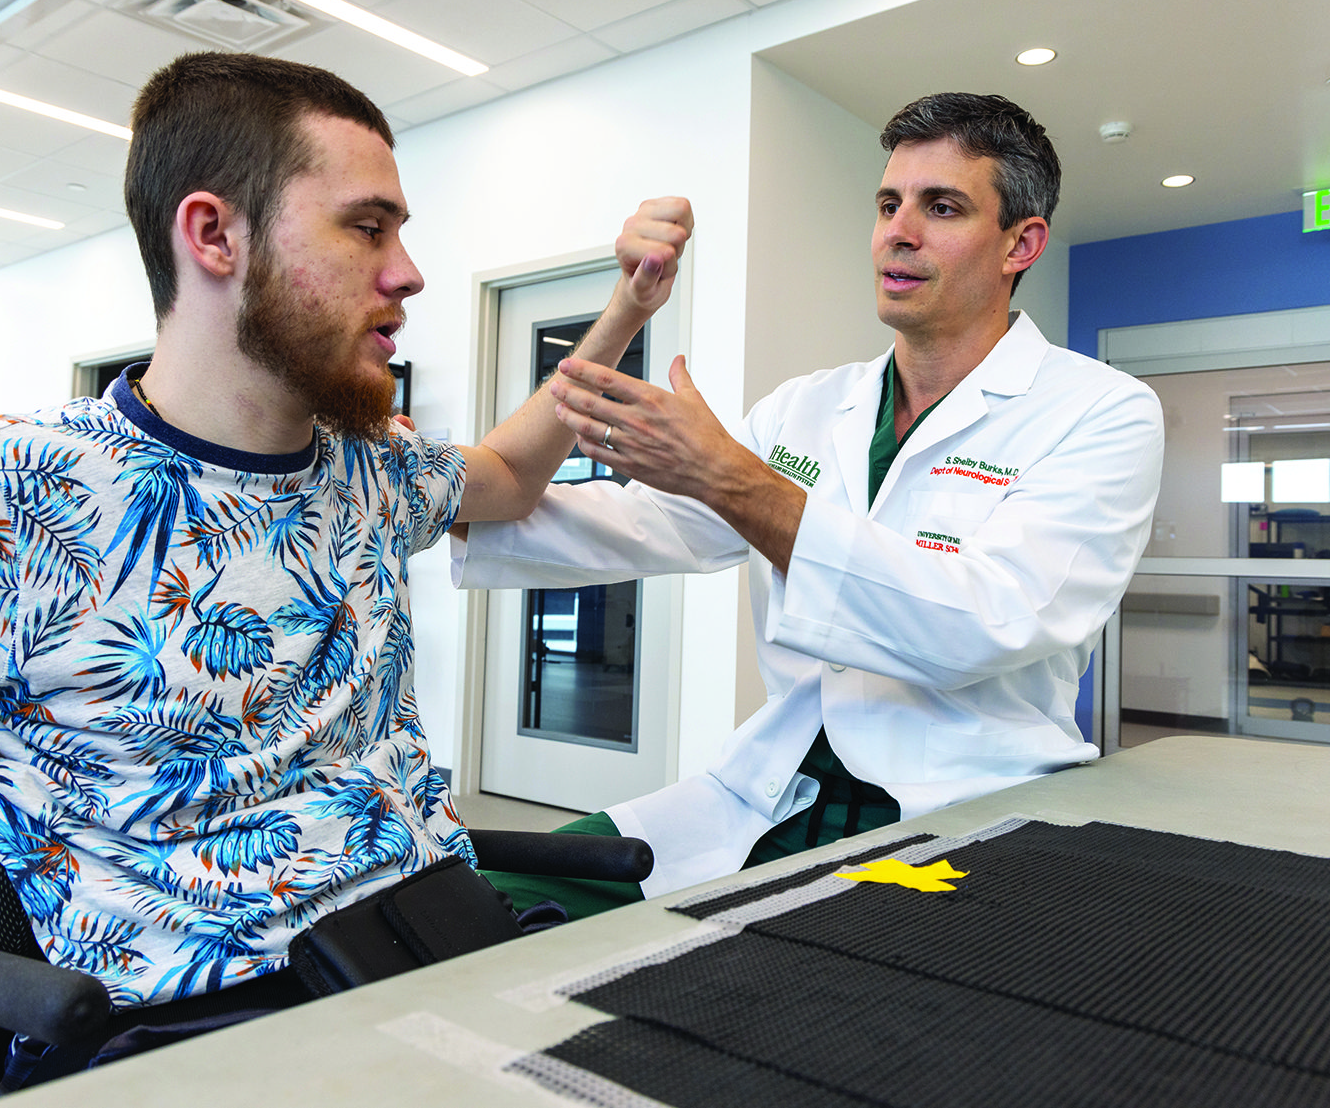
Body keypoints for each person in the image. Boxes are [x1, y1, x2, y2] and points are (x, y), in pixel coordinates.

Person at [0, 52, 681, 1101]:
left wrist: (624, 309)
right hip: (207, 1044)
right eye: (367, 227)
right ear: (213, 234)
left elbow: (510, 475)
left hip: (446, 960)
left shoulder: (372, 466)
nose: (407, 272)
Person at [457, 92, 1165, 909]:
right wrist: (426, 486)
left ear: (1022, 243)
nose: (898, 231)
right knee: (471, 907)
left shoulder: (1099, 410)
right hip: (766, 793)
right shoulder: (809, 407)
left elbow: (986, 619)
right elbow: (630, 524)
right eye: (888, 204)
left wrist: (731, 476)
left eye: (941, 207)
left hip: (960, 811)